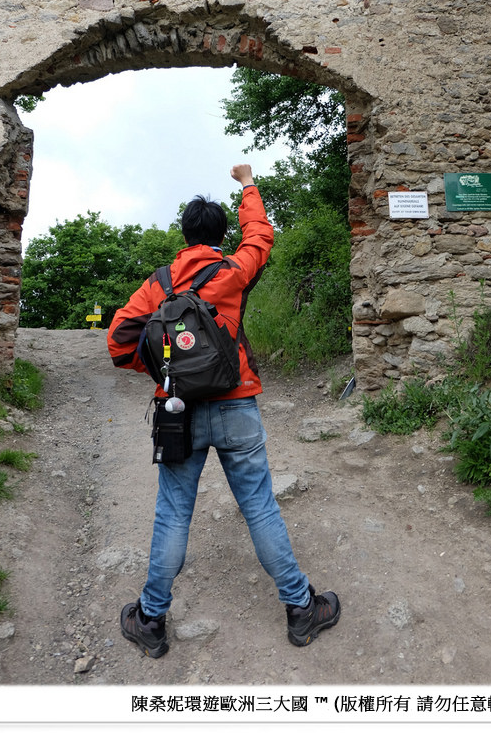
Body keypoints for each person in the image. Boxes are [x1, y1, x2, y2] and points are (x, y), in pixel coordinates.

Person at [107, 163, 340, 658]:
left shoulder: (159, 284)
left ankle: (150, 619)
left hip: (176, 412)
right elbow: (261, 235)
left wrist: (160, 375)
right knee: (259, 505)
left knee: (173, 514)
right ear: (218, 238)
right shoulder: (233, 272)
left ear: (184, 234)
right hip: (236, 405)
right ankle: (301, 609)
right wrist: (248, 185)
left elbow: (118, 341)